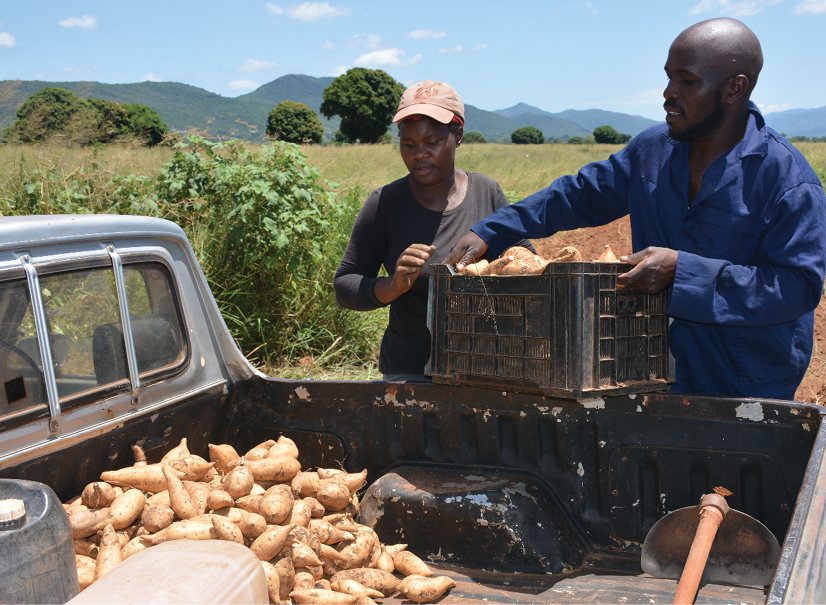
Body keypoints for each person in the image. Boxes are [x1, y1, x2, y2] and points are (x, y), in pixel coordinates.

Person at [445, 18, 826, 400]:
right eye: (668, 77)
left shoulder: (788, 182)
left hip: (744, 385)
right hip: (652, 368)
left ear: (734, 89)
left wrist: (684, 272)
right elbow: (579, 195)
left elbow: (796, 287)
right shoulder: (653, 150)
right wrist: (493, 229)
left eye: (686, 81)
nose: (668, 92)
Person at [334, 80, 532, 382]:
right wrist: (395, 285)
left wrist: (495, 270)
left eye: (433, 142)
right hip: (411, 370)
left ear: (458, 136)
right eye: (408, 144)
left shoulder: (486, 193)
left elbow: (527, 261)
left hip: (489, 364)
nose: (419, 154)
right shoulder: (385, 203)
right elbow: (345, 285)